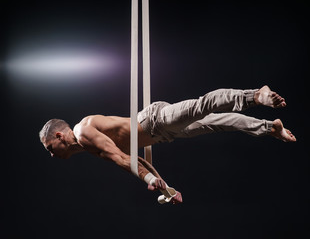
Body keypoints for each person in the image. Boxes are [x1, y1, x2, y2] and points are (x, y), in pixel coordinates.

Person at [39, 85, 296, 204]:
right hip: (163, 133)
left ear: (60, 137)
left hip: (154, 121)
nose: (52, 155)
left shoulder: (84, 131)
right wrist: (166, 186)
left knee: (202, 106)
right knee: (218, 122)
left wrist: (149, 181)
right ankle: (269, 128)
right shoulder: (86, 145)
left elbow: (121, 159)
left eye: (50, 148)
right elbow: (135, 159)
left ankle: (255, 95)